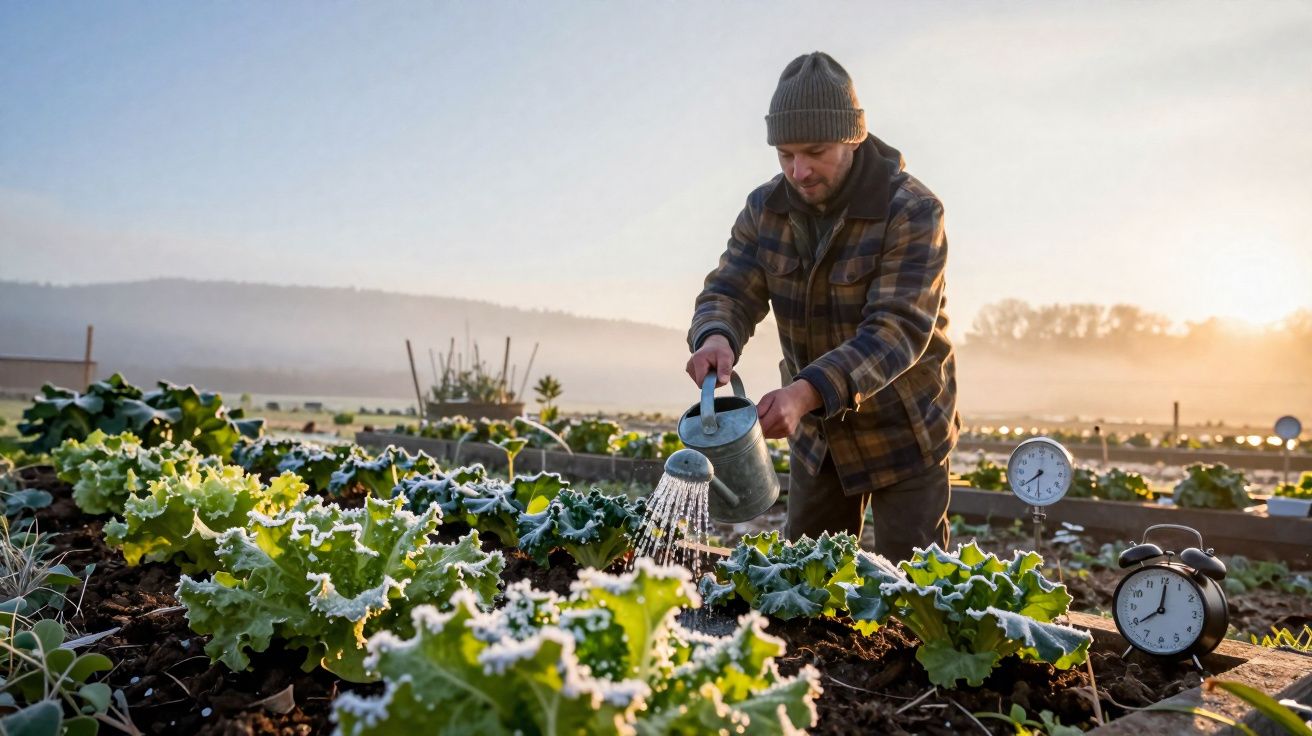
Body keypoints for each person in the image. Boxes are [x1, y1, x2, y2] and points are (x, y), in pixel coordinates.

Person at [684, 51, 960, 562]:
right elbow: (730, 286)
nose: (800, 170)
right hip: (819, 439)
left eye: (815, 151)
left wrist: (804, 393)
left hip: (904, 432)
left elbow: (895, 331)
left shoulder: (913, 210)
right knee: (806, 584)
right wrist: (715, 335)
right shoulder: (765, 208)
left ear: (852, 137)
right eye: (785, 154)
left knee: (916, 592)